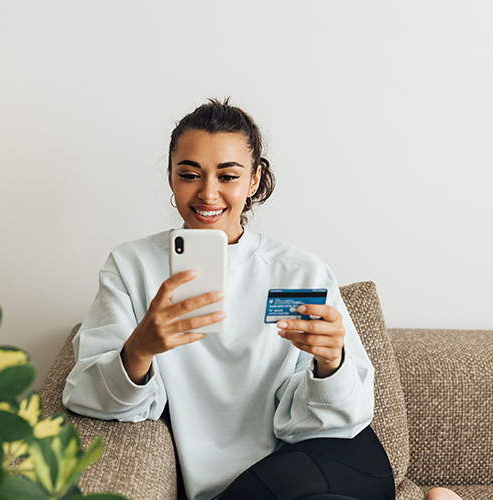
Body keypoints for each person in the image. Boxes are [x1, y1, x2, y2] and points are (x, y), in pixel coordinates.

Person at [63, 99, 461, 500]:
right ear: (170, 177)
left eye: (228, 176)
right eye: (189, 174)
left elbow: (343, 418)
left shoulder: (300, 270)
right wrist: (139, 350)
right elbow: (85, 394)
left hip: (330, 453)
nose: (208, 193)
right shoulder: (132, 267)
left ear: (253, 181)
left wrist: (331, 365)